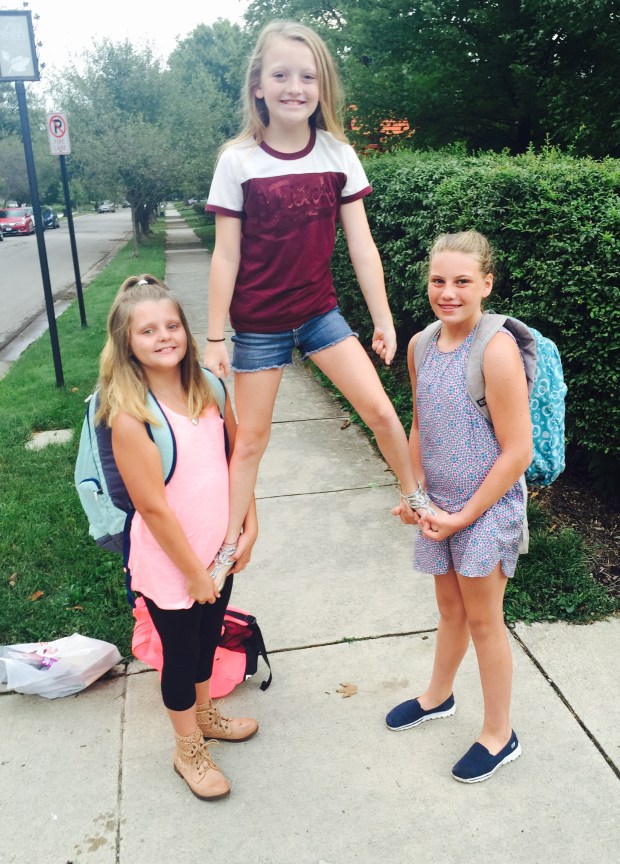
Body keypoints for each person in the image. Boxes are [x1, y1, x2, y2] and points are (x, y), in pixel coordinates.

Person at [203, 19, 423, 585]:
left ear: (322, 86)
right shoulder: (237, 161)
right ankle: (228, 544)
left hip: (320, 315)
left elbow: (362, 245)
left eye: (308, 76)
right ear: (258, 85)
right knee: (250, 442)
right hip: (258, 327)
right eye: (280, 75)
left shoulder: (338, 154)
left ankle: (415, 499)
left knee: (381, 411)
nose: (294, 87)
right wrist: (214, 337)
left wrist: (381, 318)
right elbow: (225, 256)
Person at [97, 274, 259, 801]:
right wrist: (193, 573)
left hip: (218, 552)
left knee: (209, 640)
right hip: (174, 566)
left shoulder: (209, 388)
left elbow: (238, 459)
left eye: (172, 325)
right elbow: (152, 508)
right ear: (127, 343)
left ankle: (205, 714)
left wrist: (248, 523)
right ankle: (187, 748)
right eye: (148, 331)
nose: (164, 337)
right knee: (181, 656)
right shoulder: (131, 416)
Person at [386, 231, 532, 783]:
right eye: (438, 281)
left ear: (486, 285)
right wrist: (414, 494)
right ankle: (438, 696)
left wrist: (464, 517)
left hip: (485, 509)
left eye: (462, 281)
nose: (448, 293)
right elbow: (419, 427)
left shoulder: (495, 349)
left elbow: (518, 451)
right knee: (450, 611)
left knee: (484, 620)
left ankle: (499, 734)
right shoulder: (421, 345)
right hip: (440, 506)